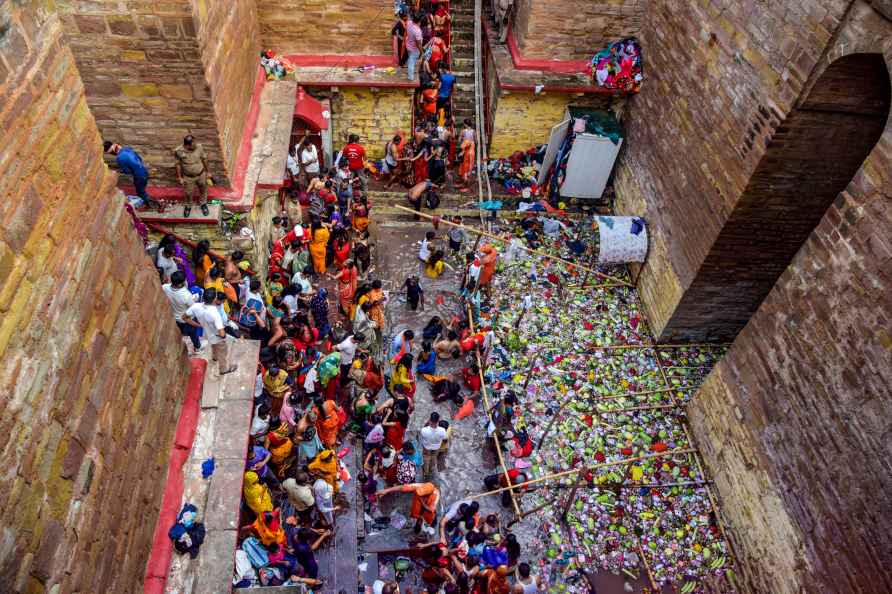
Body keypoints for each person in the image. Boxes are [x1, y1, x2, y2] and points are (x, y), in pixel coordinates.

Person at [183, 290, 237, 375]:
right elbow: (222, 333)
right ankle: (224, 369)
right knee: (223, 351)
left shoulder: (196, 306)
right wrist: (224, 337)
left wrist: (198, 325)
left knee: (213, 344)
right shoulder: (214, 313)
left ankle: (215, 357)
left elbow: (184, 317)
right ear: (214, 299)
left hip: (206, 332)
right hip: (216, 335)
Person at [104, 141, 158, 209]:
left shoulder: (120, 158)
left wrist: (118, 171)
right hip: (144, 171)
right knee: (142, 191)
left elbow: (127, 171)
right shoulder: (127, 149)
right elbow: (139, 159)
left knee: (141, 193)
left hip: (139, 176)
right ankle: (150, 204)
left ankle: (155, 205)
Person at [163, 271, 201, 354]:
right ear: (180, 284)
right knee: (193, 334)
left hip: (176, 318)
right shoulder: (186, 296)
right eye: (184, 280)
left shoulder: (165, 288)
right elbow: (193, 308)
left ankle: (185, 340)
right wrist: (195, 299)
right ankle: (197, 348)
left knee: (182, 332)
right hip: (187, 319)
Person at [173, 134, 211, 217]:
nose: (195, 145)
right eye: (193, 144)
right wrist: (179, 177)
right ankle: (188, 205)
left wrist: (208, 172)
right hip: (188, 177)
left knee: (203, 189)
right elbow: (178, 165)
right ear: (187, 145)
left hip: (201, 174)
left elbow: (204, 159)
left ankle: (203, 204)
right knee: (188, 193)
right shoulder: (178, 151)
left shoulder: (199, 147)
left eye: (195, 143)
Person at [420, 412, 447, 479]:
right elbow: (444, 439)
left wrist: (427, 424)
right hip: (436, 447)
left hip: (427, 447)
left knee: (426, 458)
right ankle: (431, 468)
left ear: (430, 420)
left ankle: (426, 472)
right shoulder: (442, 430)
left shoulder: (424, 430)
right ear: (438, 421)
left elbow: (423, 435)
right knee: (433, 457)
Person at [403, 12, 423, 81]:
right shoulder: (417, 31)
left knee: (410, 59)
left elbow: (406, 30)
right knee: (412, 61)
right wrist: (421, 52)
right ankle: (410, 77)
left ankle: (410, 71)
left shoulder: (409, 23)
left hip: (408, 45)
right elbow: (418, 44)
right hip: (414, 48)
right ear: (419, 20)